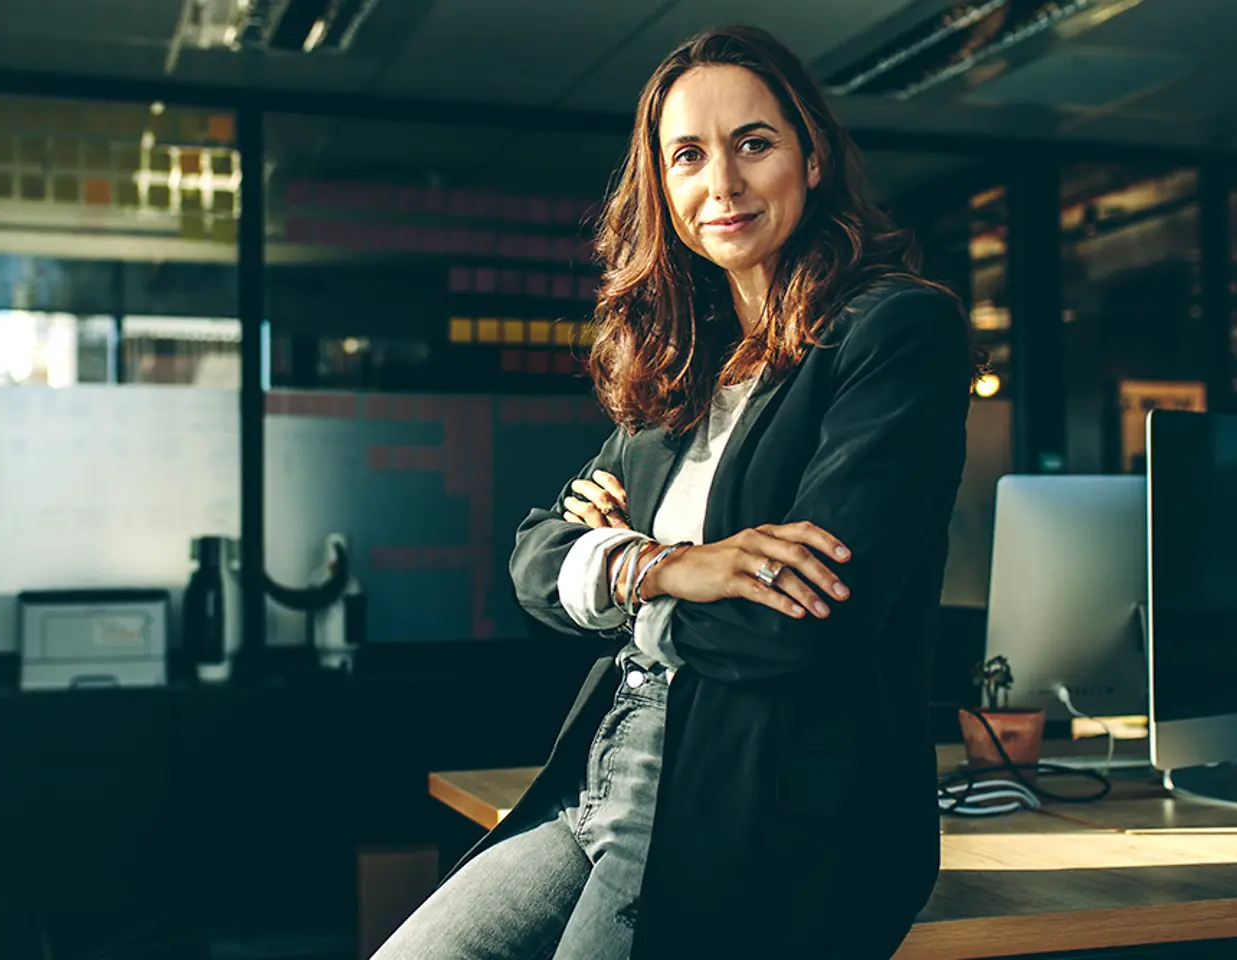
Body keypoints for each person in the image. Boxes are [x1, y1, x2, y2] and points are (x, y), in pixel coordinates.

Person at [373, 24, 973, 960]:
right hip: (603, 770)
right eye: (688, 155)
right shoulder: (683, 365)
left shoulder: (893, 331)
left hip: (756, 797)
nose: (722, 184)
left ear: (811, 158)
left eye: (755, 143)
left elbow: (805, 619)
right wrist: (671, 568)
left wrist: (620, 579)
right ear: (663, 185)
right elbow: (536, 558)